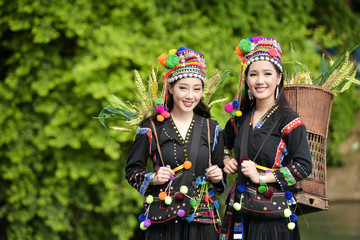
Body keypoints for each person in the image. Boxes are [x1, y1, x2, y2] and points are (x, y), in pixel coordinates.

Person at [125, 47, 226, 240]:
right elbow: (132, 172)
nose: (190, 96)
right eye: (183, 88)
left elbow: (221, 178)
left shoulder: (212, 128)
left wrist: (217, 175)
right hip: (163, 220)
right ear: (170, 87)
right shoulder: (151, 127)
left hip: (202, 223)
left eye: (197, 89)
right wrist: (154, 178)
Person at [220, 36, 312, 240]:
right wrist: (226, 160)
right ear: (246, 79)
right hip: (240, 211)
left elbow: (304, 166)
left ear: (279, 78)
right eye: (253, 74)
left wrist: (261, 177)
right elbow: (220, 146)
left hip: (273, 217)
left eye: (267, 74)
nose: (260, 81)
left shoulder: (289, 119)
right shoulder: (239, 119)